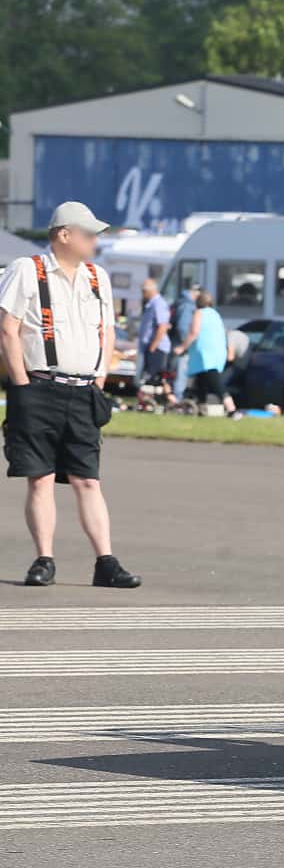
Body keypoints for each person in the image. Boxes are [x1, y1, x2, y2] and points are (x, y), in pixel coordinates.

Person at [0, 201, 141, 588]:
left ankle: (105, 562)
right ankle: (44, 559)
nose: (96, 240)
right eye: (90, 234)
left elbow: (107, 332)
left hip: (83, 390)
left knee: (88, 480)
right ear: (65, 235)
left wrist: (99, 380)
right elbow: (8, 329)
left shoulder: (98, 277)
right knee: (40, 478)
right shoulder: (26, 271)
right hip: (39, 386)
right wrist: (21, 385)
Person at [184, 290, 228, 410]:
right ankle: (200, 406)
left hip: (205, 354)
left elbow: (194, 332)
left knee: (215, 383)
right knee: (201, 380)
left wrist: (182, 347)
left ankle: (231, 408)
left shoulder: (199, 313)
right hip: (217, 353)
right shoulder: (215, 314)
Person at [136, 277, 172, 402]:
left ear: (149, 291)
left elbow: (162, 326)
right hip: (151, 346)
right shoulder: (151, 304)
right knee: (155, 377)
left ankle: (155, 401)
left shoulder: (158, 304)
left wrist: (153, 345)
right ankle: (156, 400)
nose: (142, 294)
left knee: (152, 377)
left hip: (157, 347)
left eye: (143, 291)